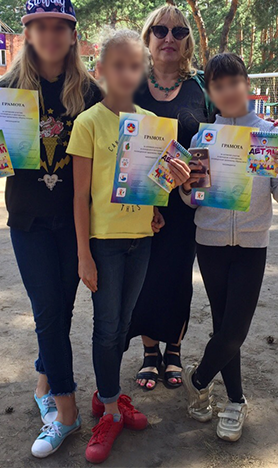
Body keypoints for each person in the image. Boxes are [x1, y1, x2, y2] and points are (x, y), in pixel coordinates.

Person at [0, 0, 103, 458]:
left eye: (60, 26)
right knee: (48, 313)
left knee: (62, 310)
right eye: (40, 25)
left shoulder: (92, 94)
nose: (50, 34)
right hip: (28, 220)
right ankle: (67, 411)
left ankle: (44, 382)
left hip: (77, 222)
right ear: (28, 33)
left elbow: (111, 157)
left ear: (73, 35)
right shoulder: (2, 91)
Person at [67, 29, 190, 464]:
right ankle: (109, 410)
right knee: (107, 327)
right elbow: (79, 196)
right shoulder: (88, 123)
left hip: (142, 241)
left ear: (142, 72)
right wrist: (83, 254)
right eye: (117, 65)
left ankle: (109, 397)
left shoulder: (150, 124)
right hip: (104, 245)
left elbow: (151, 182)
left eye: (134, 66)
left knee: (123, 326)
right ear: (101, 69)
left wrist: (156, 207)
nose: (126, 73)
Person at [180, 53, 278, 442]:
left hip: (252, 245)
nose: (228, 91)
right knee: (222, 324)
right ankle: (235, 401)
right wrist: (187, 187)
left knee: (235, 331)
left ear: (246, 85)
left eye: (234, 82)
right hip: (210, 243)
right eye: (219, 85)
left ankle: (198, 379)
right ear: (211, 93)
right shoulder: (203, 138)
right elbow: (192, 200)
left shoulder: (270, 134)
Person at [127, 5, 211, 390]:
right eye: (160, 30)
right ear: (147, 37)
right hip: (138, 202)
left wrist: (267, 131)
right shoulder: (131, 85)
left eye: (179, 32)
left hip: (185, 205)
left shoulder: (202, 87)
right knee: (143, 279)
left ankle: (173, 350)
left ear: (187, 40)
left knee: (178, 279)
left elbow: (228, 128)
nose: (169, 38)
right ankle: (150, 352)